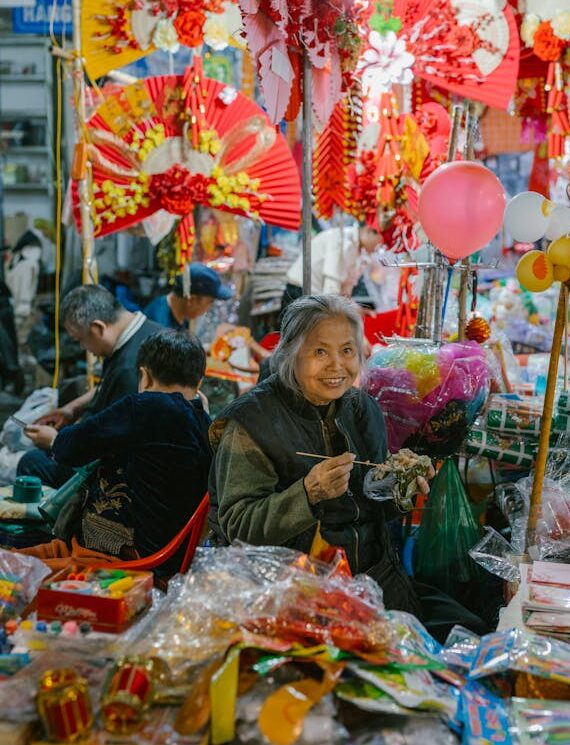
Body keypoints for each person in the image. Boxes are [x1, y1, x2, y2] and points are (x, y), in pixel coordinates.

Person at [208, 295, 488, 641]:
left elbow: (373, 502)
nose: (336, 366)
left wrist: (399, 486)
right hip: (292, 592)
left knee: (471, 633)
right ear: (290, 354)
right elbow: (238, 527)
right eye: (320, 352)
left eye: (347, 351)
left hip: (372, 578)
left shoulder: (361, 408)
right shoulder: (251, 424)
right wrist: (308, 495)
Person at [22, 330, 211, 570]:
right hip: (178, 553)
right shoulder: (204, 420)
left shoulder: (145, 406)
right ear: (199, 383)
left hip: (140, 552)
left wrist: (53, 440)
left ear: (144, 377)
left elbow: (70, 449)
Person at [19, 285, 161, 488]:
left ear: (98, 328)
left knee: (32, 463)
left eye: (80, 340)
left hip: (126, 472)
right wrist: (71, 409)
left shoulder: (129, 368)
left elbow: (111, 444)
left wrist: (56, 442)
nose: (82, 348)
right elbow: (107, 386)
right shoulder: (146, 330)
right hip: (122, 440)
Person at [282, 223, 381, 310]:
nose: (380, 247)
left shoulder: (362, 252)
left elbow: (345, 291)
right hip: (300, 293)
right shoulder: (342, 241)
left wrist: (355, 308)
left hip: (317, 297)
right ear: (369, 230)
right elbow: (331, 292)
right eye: (382, 242)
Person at [143, 263, 234, 330]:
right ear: (191, 300)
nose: (209, 308)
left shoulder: (177, 312)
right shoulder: (160, 327)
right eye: (210, 302)